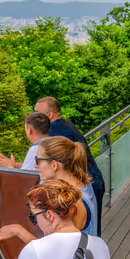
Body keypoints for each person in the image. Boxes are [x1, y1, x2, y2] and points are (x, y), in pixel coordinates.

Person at [35, 97, 105, 235]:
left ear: (49, 114)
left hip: (91, 181)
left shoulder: (53, 130)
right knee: (92, 231)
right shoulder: (66, 125)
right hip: (92, 180)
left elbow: (62, 244)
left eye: (38, 113)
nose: (35, 117)